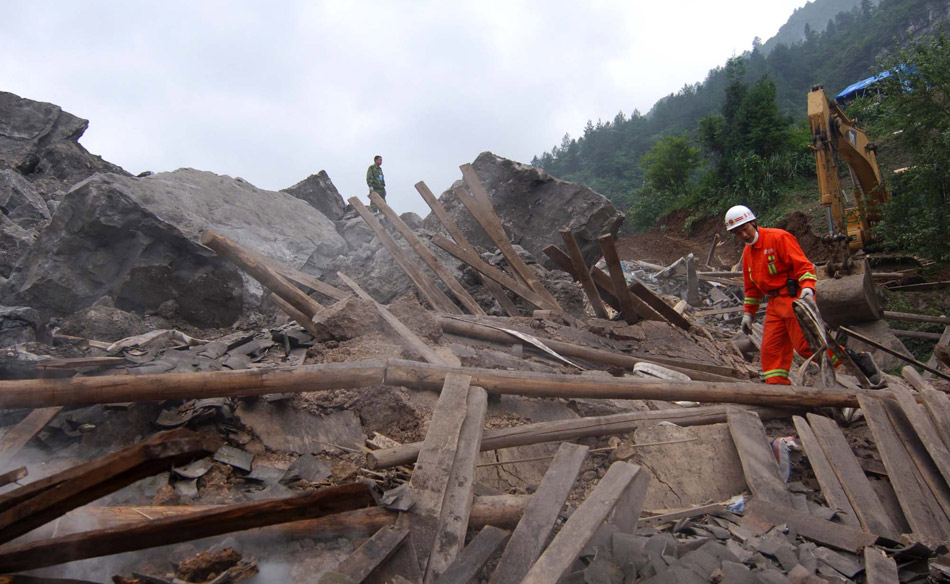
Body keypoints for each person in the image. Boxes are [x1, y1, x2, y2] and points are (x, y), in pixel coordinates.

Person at [726, 205, 824, 385]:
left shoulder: (779, 238)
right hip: (774, 305)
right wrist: (748, 314)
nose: (744, 235)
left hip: (794, 300)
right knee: (771, 351)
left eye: (744, 229)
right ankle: (779, 390)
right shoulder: (748, 253)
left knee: (805, 346)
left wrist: (808, 288)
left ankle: (855, 361)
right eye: (738, 233)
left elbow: (804, 267)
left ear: (753, 223)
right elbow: (752, 289)